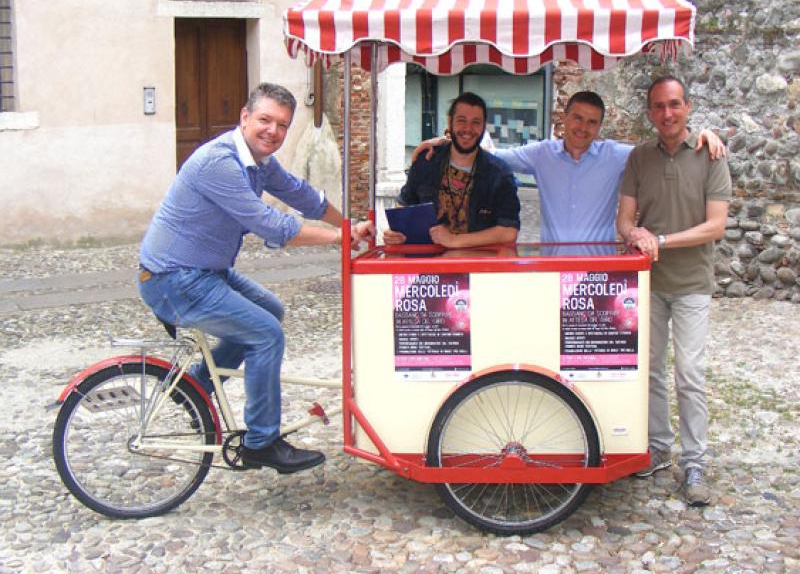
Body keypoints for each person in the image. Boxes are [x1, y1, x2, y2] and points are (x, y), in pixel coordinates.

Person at [138, 82, 373, 474]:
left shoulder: (260, 162)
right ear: (245, 118)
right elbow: (271, 224)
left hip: (205, 272)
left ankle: (193, 387)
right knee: (265, 333)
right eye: (265, 120)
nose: (273, 131)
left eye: (282, 125)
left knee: (270, 309)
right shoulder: (219, 162)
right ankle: (262, 442)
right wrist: (339, 238)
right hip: (173, 279)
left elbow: (303, 196)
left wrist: (351, 224)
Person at [617, 76, 731, 507]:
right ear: (650, 112)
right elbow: (624, 220)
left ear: (687, 107)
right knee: (649, 369)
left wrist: (660, 241)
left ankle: (695, 460)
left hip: (692, 285)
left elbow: (716, 226)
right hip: (649, 281)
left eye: (675, 105)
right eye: (659, 106)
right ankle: (660, 447)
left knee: (690, 374)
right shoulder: (639, 157)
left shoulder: (710, 154)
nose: (668, 113)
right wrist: (636, 234)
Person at [413, 91, 725, 243]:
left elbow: (660, 150)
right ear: (565, 118)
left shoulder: (617, 155)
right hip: (552, 269)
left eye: (592, 122)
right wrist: (446, 140)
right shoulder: (541, 154)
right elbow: (488, 154)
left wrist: (700, 134)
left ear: (600, 127)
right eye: (577, 118)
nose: (582, 127)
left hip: (600, 273)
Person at [384, 92, 521, 248]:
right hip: (428, 264)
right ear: (450, 122)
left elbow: (509, 231)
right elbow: (405, 205)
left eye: (476, 122)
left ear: (484, 126)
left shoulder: (499, 174)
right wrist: (395, 233)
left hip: (477, 265)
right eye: (461, 121)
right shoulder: (427, 161)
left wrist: (454, 240)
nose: (468, 129)